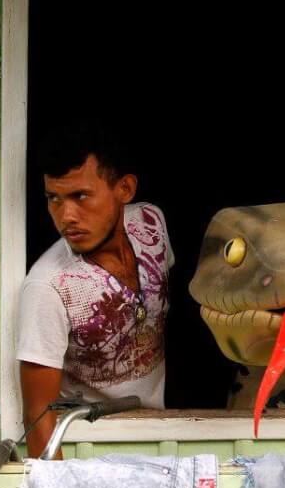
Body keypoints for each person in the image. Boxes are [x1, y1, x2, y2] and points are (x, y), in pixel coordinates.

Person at [17, 122, 174, 459]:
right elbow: (39, 414)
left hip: (165, 436)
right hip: (92, 448)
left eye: (80, 196)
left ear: (125, 189)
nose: (65, 216)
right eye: (54, 199)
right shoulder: (48, 286)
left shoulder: (151, 225)